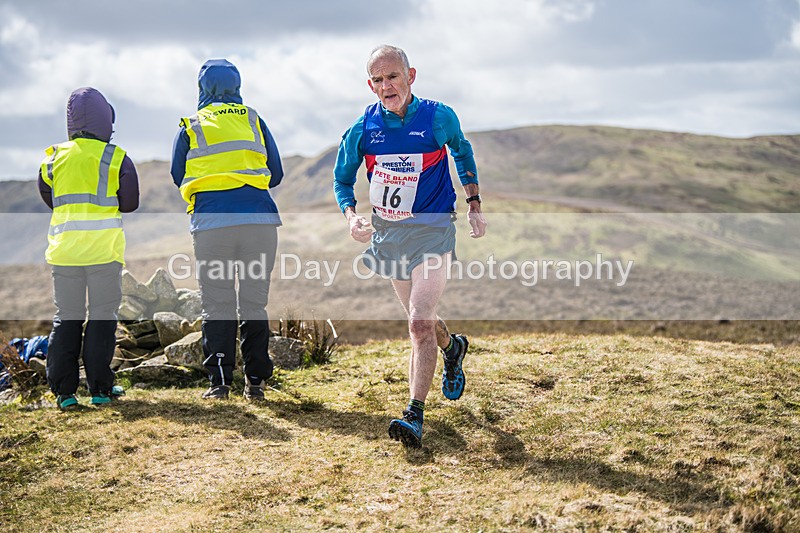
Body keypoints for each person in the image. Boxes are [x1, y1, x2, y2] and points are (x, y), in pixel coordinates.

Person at [333, 45, 487, 448]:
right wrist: (352, 217)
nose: (387, 87)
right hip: (390, 236)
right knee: (424, 320)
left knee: (418, 322)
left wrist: (473, 202)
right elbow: (342, 180)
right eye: (378, 81)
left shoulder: (438, 116)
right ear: (370, 85)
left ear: (410, 75)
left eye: (393, 77)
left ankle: (413, 415)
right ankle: (453, 349)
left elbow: (462, 151)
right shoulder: (363, 129)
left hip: (433, 230)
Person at [171, 59, 284, 402]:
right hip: (259, 225)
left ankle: (219, 383)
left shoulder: (191, 126)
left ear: (202, 89)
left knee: (217, 304)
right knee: (253, 304)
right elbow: (275, 173)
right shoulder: (253, 120)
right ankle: (256, 384)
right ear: (237, 86)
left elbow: (178, 174)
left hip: (212, 227)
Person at [38, 87, 140, 410]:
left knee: (65, 318)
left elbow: (49, 197)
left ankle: (64, 393)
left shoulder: (53, 157)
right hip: (103, 254)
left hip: (65, 254)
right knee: (101, 319)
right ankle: (100, 388)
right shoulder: (116, 157)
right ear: (106, 119)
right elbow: (131, 203)